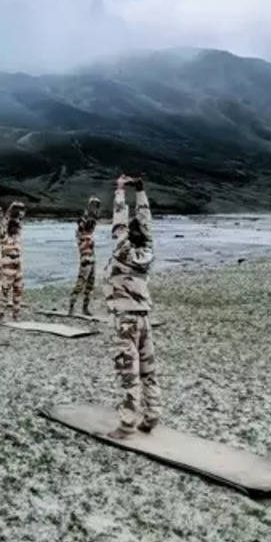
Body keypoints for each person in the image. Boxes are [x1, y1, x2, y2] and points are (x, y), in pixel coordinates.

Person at [104, 175, 158, 439]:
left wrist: (120, 191)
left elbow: (118, 219)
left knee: (129, 372)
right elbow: (145, 223)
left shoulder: (122, 248)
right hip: (145, 317)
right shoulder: (148, 250)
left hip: (125, 318)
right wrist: (141, 191)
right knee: (148, 369)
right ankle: (151, 416)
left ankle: (126, 425)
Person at [67, 196, 102, 316]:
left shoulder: (90, 234)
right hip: (85, 260)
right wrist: (89, 208)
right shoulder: (80, 234)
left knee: (90, 285)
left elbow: (93, 220)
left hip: (92, 259)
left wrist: (94, 209)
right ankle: (71, 307)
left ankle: (85, 308)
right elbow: (86, 220)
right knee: (80, 284)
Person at [0, 201, 26, 322]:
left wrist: (20, 209)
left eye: (16, 226)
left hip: (18, 265)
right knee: (5, 290)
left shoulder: (17, 236)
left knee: (18, 290)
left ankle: (16, 314)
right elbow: (4, 222)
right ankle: (2, 314)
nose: (15, 227)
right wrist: (10, 208)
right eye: (13, 226)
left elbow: (20, 219)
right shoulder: (4, 237)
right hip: (7, 265)